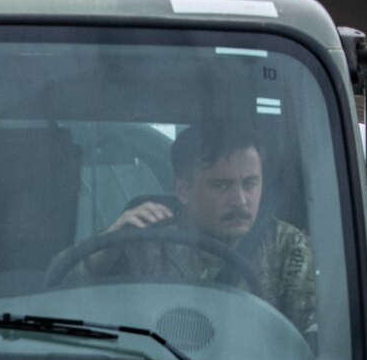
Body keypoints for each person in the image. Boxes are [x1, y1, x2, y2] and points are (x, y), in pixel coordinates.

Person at [86, 124, 318, 337]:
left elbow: (318, 339)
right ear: (183, 189)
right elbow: (59, 291)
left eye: (250, 183)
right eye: (222, 185)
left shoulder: (289, 246)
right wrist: (109, 245)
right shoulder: (144, 238)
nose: (240, 200)